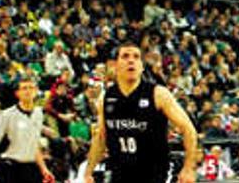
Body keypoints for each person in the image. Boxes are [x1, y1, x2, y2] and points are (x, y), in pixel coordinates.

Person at [83, 43, 198, 183]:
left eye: (136, 57)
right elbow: (101, 137)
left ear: (142, 66)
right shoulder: (106, 98)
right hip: (120, 173)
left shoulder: (158, 94)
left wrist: (188, 168)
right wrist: (88, 172)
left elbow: (189, 129)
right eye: (125, 56)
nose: (131, 60)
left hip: (155, 173)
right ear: (115, 65)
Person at [0, 78, 53, 183]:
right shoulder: (6, 114)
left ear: (36, 91)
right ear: (17, 93)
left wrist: (44, 169)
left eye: (31, 88)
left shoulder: (38, 113)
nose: (28, 91)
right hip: (10, 167)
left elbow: (34, 145)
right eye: (24, 88)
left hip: (30, 168)